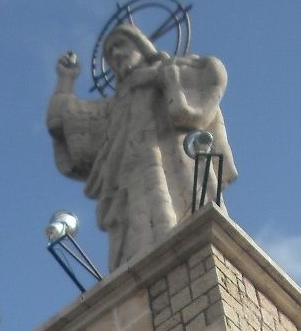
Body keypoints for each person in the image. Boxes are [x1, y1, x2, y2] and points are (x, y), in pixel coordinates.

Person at [46, 23, 236, 273]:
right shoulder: (114, 108)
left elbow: (212, 73)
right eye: (110, 53)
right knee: (135, 253)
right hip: (130, 187)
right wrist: (66, 79)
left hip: (178, 168)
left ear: (140, 46)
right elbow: (61, 121)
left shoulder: (170, 71)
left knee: (186, 221)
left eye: (120, 46)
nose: (115, 55)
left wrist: (159, 77)